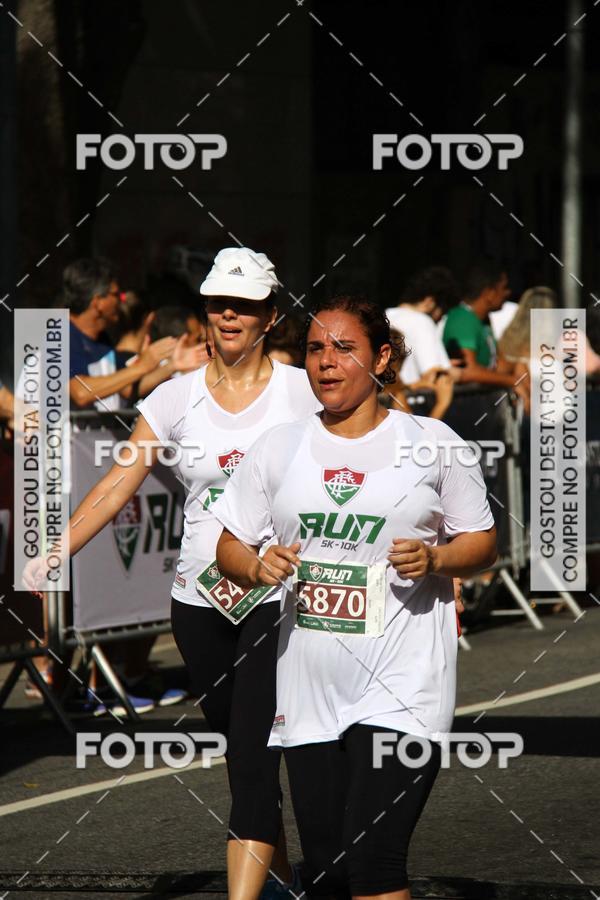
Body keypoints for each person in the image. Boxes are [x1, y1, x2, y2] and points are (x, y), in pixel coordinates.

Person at [24, 246, 320, 900]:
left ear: (270, 315)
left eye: (244, 305)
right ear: (206, 311)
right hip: (199, 602)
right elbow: (115, 484)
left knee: (251, 752)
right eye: (219, 304)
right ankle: (279, 881)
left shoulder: (304, 390)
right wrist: (50, 552)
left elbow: (370, 457)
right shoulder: (173, 398)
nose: (230, 315)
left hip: (280, 596)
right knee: (244, 757)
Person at [213, 294, 497, 899]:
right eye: (316, 349)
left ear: (382, 358)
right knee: (327, 872)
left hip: (402, 686)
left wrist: (438, 558)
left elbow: (483, 543)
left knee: (374, 863)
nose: (326, 362)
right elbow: (228, 547)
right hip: (310, 689)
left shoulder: (432, 442)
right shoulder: (278, 447)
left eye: (345, 348)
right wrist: (258, 566)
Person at [65, 258, 176, 410]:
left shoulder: (102, 339)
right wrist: (142, 366)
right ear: (98, 302)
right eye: (117, 294)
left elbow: (125, 389)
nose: (122, 300)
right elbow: (81, 393)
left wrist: (174, 365)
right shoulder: (62, 337)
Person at [385, 266, 460, 385]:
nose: (441, 319)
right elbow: (434, 376)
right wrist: (457, 374)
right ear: (429, 302)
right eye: (443, 312)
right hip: (413, 401)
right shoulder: (421, 321)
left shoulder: (386, 316)